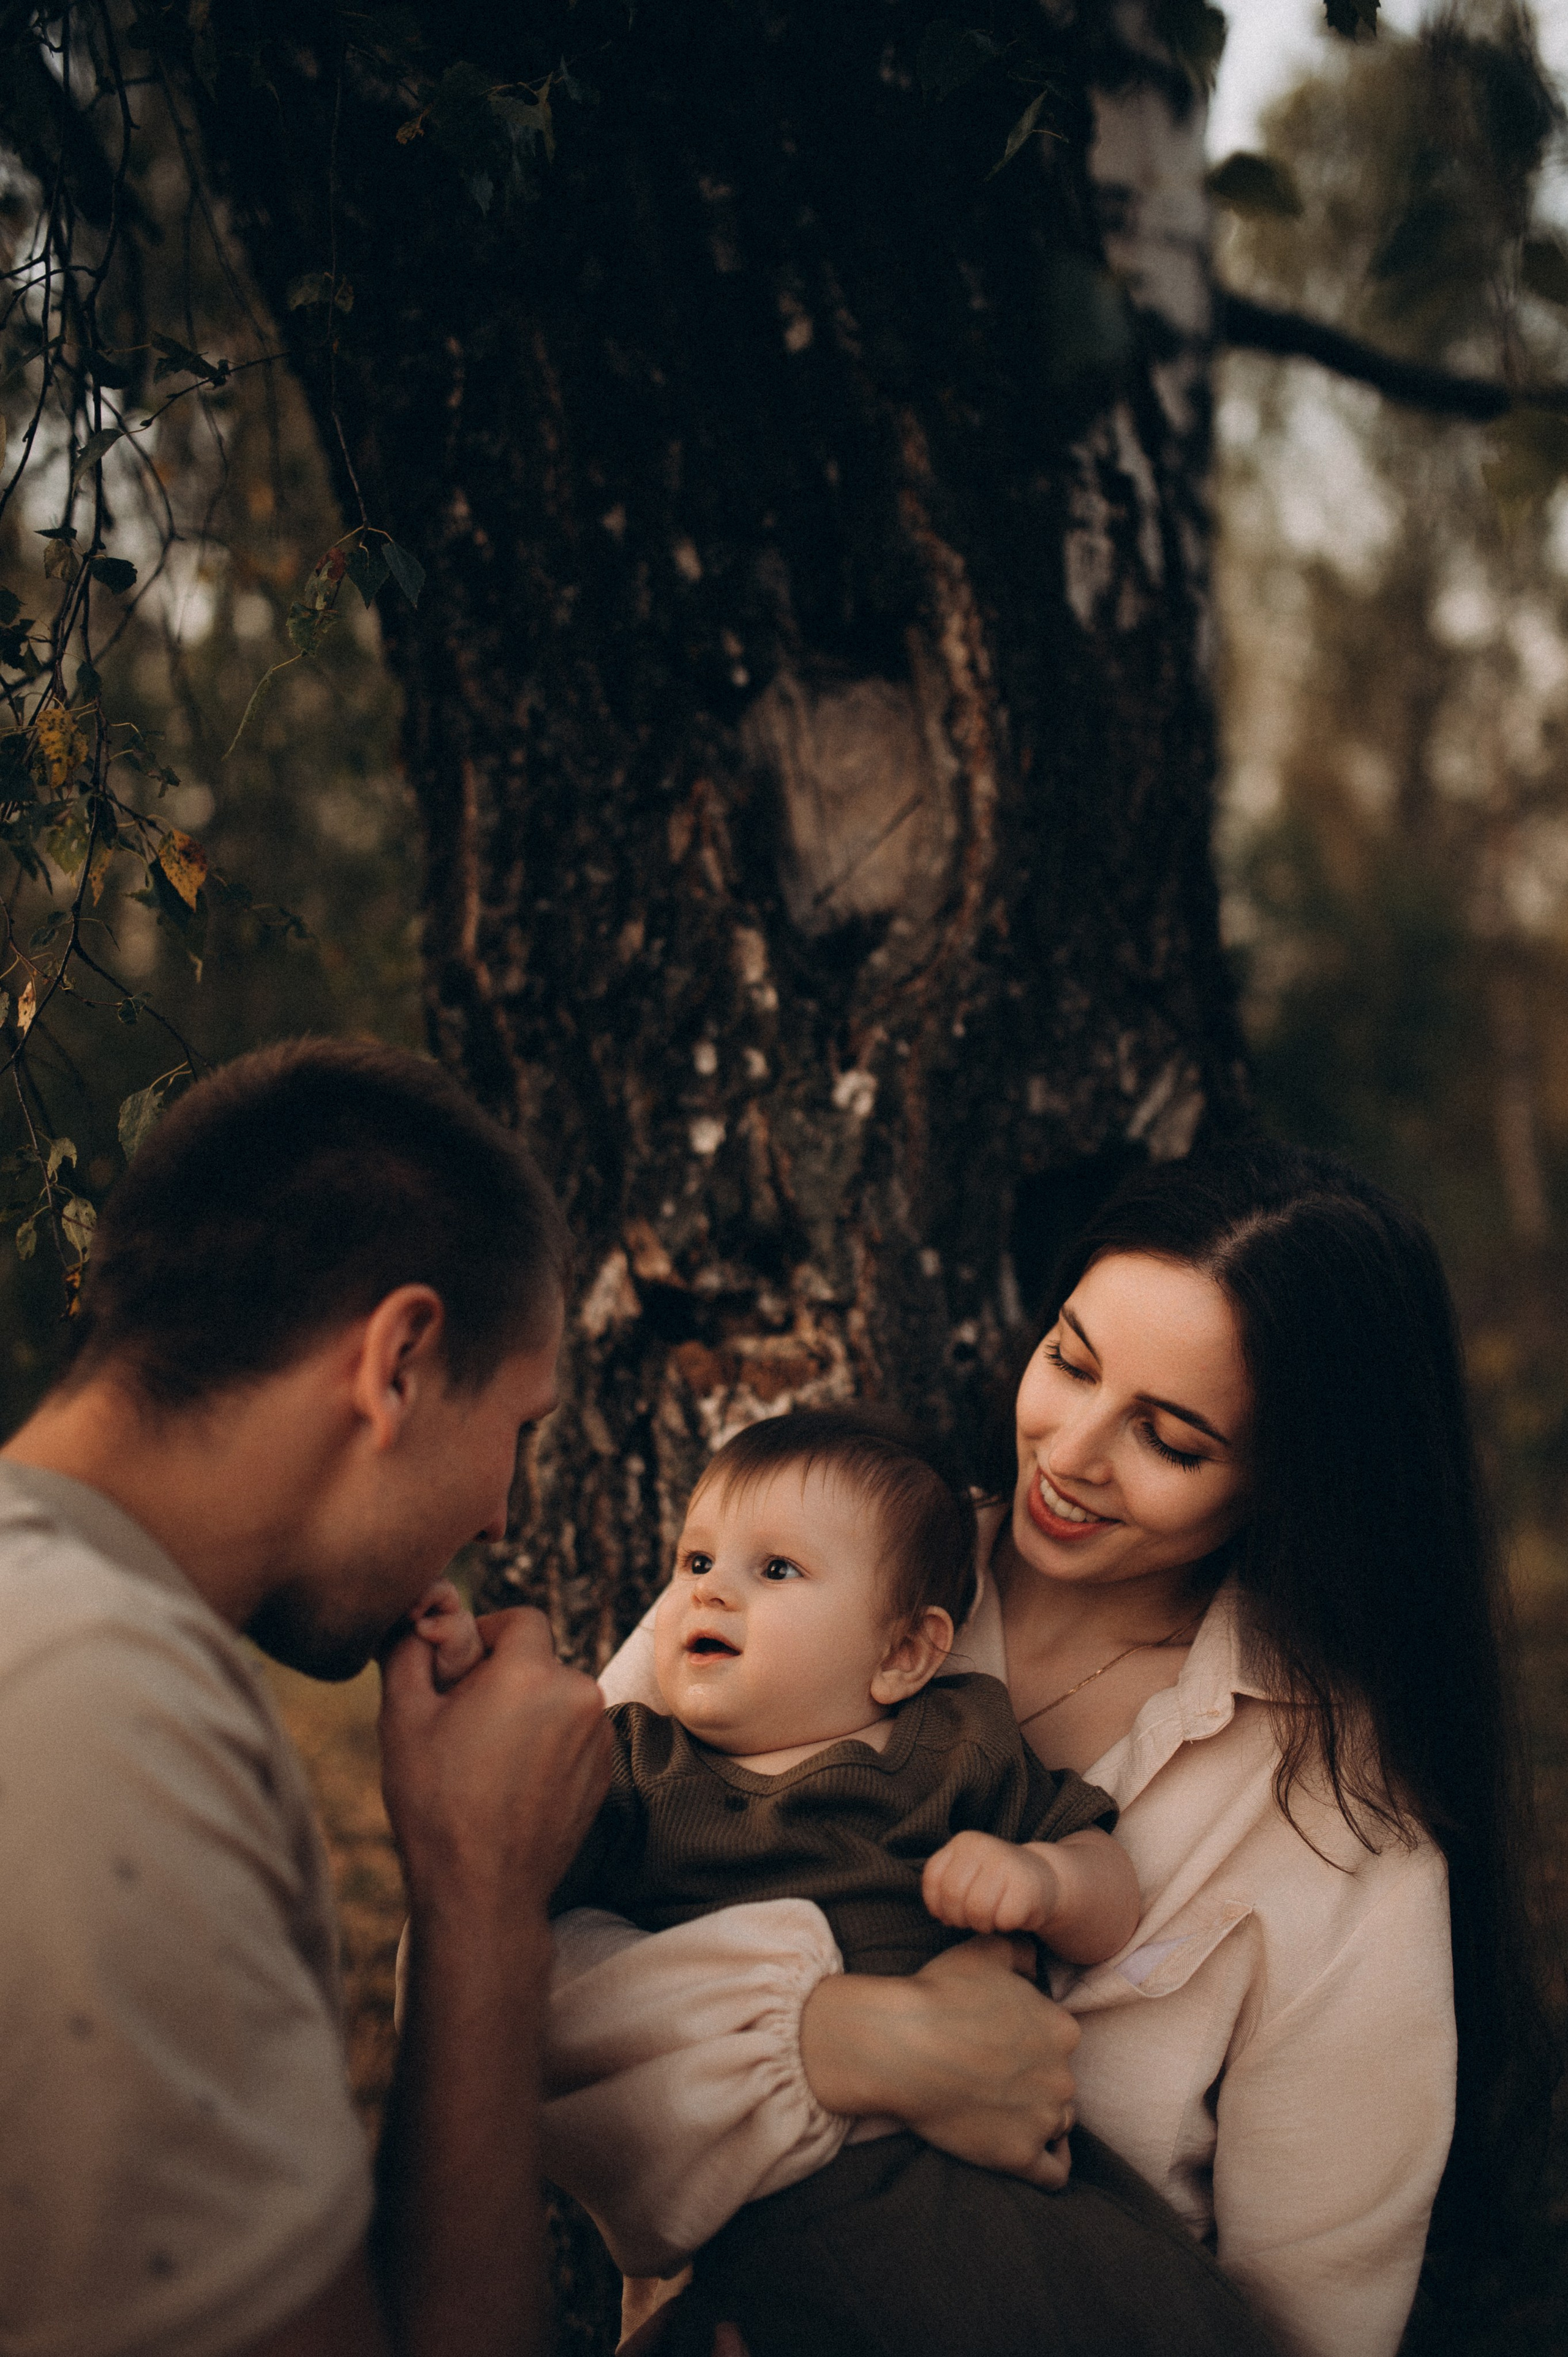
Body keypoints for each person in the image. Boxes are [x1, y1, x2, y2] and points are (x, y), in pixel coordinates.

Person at [542, 1140, 1550, 2357]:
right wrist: (838, 2041)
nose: (1070, 1454)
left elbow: (1312, 2314)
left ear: (1288, 1484)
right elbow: (482, 1966)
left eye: (1169, 1441)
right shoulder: (804, 1579)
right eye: (1070, 1362)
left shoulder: (1337, 1813)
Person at [0, 1038, 613, 2357]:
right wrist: (483, 1900)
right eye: (519, 1428)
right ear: (399, 1363)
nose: (502, 1515)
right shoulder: (94, 1708)